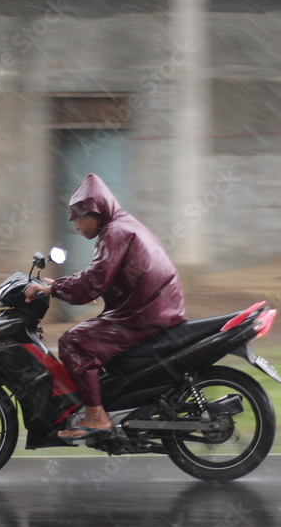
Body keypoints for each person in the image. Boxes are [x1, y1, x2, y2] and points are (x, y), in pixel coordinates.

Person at [25, 173, 187, 440]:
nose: (76, 227)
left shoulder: (115, 233)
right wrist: (58, 285)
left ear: (94, 213)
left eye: (78, 219)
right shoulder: (121, 226)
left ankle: (97, 416)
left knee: (73, 342)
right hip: (153, 308)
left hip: (144, 313)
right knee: (89, 337)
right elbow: (98, 277)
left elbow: (93, 283)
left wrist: (54, 288)